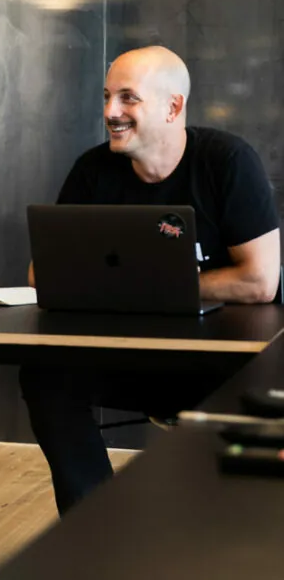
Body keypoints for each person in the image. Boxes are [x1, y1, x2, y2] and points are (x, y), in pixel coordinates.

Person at [21, 45, 281, 515]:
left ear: (173, 106)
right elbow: (44, 275)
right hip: (130, 358)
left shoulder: (228, 163)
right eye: (106, 97)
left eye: (127, 98)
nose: (109, 113)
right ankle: (95, 524)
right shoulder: (93, 171)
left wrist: (147, 287)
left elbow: (260, 281)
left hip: (223, 365)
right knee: (46, 376)